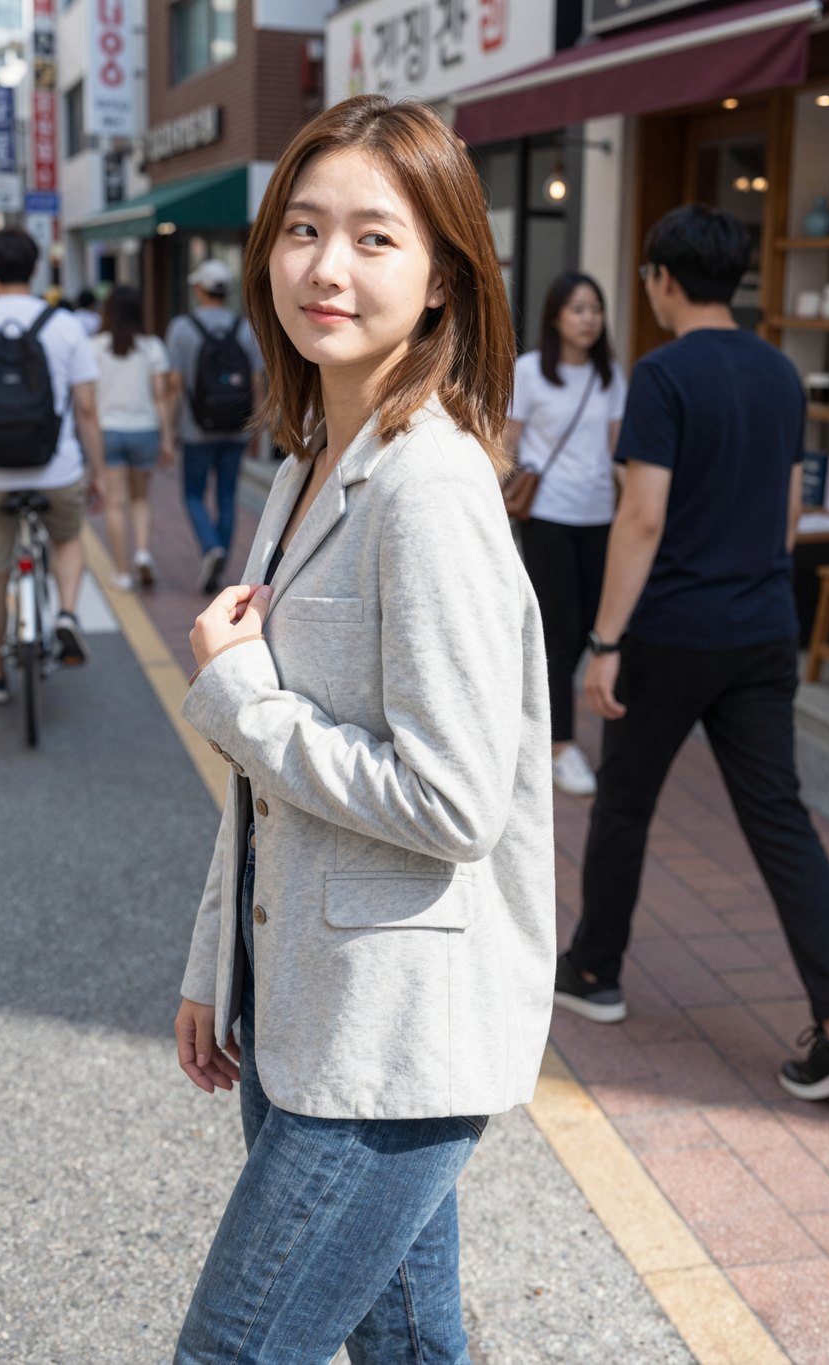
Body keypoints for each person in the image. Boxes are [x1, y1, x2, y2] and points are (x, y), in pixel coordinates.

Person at [171, 93, 556, 1362]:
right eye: (300, 228)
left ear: (443, 277)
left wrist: (239, 699)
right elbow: (272, 778)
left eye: (375, 239)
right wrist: (208, 960)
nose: (325, 268)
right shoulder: (305, 464)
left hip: (393, 1042)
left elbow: (454, 799)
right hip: (302, 1007)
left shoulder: (432, 488)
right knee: (408, 1351)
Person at [554, 205, 829, 1103]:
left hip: (669, 629)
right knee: (780, 818)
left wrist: (605, 641)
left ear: (663, 280)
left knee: (625, 800)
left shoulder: (664, 376)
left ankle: (594, 972)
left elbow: (642, 515)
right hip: (761, 629)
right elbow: (786, 515)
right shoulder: (781, 374)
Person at [0, 227, 105, 704]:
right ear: (35, 268)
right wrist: (99, 474)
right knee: (69, 540)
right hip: (57, 470)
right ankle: (67, 613)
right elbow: (87, 409)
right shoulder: (65, 323)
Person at [505, 272, 627, 797]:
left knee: (588, 629)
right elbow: (505, 444)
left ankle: (535, 711)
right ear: (556, 316)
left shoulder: (610, 377)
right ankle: (559, 746)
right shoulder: (530, 372)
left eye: (595, 309)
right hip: (548, 515)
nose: (588, 319)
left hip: (600, 515)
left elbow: (620, 455)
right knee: (559, 627)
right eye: (578, 309)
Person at [165, 259, 264, 594]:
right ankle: (220, 557)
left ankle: (211, 548)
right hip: (236, 427)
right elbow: (256, 382)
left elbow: (175, 384)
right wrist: (258, 426)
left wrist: (168, 430)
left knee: (193, 493)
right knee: (227, 495)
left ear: (198, 289)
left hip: (196, 428)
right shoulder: (245, 328)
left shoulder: (182, 328)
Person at [92, 285, 175, 589]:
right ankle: (142, 553)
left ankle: (123, 572)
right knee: (141, 498)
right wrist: (166, 439)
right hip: (145, 431)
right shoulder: (152, 347)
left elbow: (87, 401)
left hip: (108, 431)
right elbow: (161, 398)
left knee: (115, 503)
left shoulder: (96, 347)